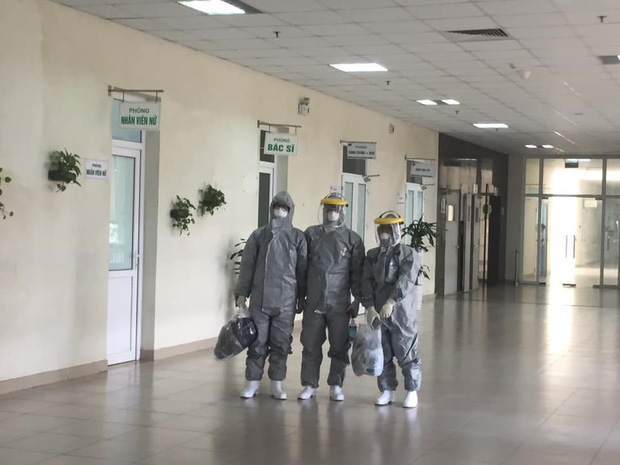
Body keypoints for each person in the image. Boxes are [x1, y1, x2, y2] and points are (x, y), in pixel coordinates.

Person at [235, 192, 307, 400]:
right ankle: (252, 383)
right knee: (257, 342)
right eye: (277, 206)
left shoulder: (297, 238)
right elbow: (247, 266)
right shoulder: (259, 236)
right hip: (260, 299)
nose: (280, 210)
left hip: (286, 301)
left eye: (284, 207)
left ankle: (277, 384)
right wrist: (242, 293)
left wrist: (301, 296)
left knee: (281, 343)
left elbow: (302, 271)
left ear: (290, 211)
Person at [298, 193, 365, 402]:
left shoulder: (352, 239)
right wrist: (300, 296)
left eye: (336, 208)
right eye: (329, 207)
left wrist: (357, 300)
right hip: (314, 300)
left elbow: (357, 273)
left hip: (340, 303)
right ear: (323, 208)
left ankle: (336, 385)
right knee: (310, 344)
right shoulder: (311, 235)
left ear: (343, 210)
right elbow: (302, 269)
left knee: (339, 345)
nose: (332, 211)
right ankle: (309, 384)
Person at [361, 211, 422, 408]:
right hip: (379, 312)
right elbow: (366, 281)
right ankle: (387, 390)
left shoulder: (408, 254)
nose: (384, 233)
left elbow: (405, 280)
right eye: (382, 229)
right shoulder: (373, 255)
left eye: (388, 229)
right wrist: (369, 307)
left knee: (406, 350)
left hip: (401, 313)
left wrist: (391, 301)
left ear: (397, 230)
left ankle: (412, 390)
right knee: (382, 351)